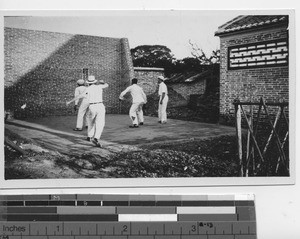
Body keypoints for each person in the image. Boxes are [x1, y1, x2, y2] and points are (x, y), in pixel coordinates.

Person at [66, 75, 108, 147]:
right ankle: (96, 138)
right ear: (95, 81)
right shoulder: (99, 86)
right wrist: (102, 82)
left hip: (92, 106)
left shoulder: (87, 89)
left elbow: (78, 96)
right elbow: (107, 85)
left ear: (88, 82)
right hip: (100, 106)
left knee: (90, 123)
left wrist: (69, 102)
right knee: (100, 123)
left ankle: (89, 136)